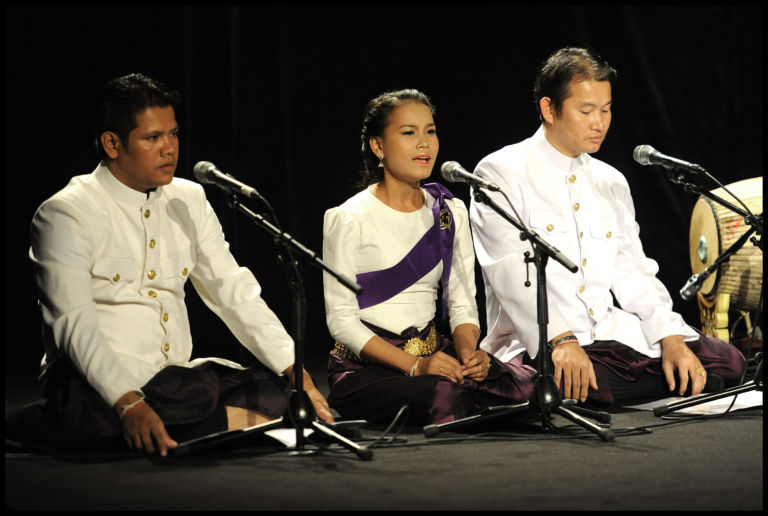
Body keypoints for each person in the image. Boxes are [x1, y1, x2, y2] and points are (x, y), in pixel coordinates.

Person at [9, 73, 333, 456]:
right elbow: (72, 324)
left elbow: (232, 291)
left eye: (174, 134)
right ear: (112, 143)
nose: (170, 149)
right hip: (97, 383)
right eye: (153, 138)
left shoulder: (188, 199)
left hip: (178, 384)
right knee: (94, 412)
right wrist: (129, 403)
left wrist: (295, 372)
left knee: (280, 393)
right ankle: (46, 422)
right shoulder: (67, 212)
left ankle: (200, 424)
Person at [469, 47, 745, 407]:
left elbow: (634, 272)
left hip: (612, 339)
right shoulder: (500, 172)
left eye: (606, 109)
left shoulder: (610, 180)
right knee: (555, 382)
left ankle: (612, 387)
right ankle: (594, 387)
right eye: (585, 111)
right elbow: (509, 273)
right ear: (549, 109)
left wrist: (670, 337)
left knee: (730, 362)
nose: (599, 122)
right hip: (544, 342)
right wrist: (561, 340)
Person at [321, 89, 533, 426]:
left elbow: (463, 302)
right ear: (378, 146)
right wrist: (416, 366)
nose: (424, 144)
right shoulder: (348, 218)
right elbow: (341, 321)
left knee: (523, 384)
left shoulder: (450, 212)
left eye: (430, 132)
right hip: (368, 371)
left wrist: (467, 353)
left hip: (435, 354)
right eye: (409, 133)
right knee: (446, 392)